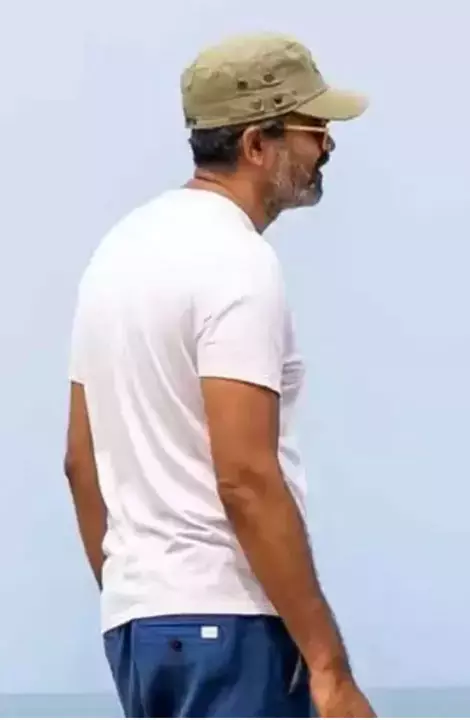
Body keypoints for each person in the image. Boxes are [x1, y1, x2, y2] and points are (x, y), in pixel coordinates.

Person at [63, 32, 375, 718]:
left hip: (142, 632)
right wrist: (328, 667)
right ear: (257, 145)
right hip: (230, 625)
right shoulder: (237, 262)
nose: (327, 146)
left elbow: (81, 463)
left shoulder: (115, 256)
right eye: (313, 129)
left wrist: (140, 597)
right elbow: (246, 477)